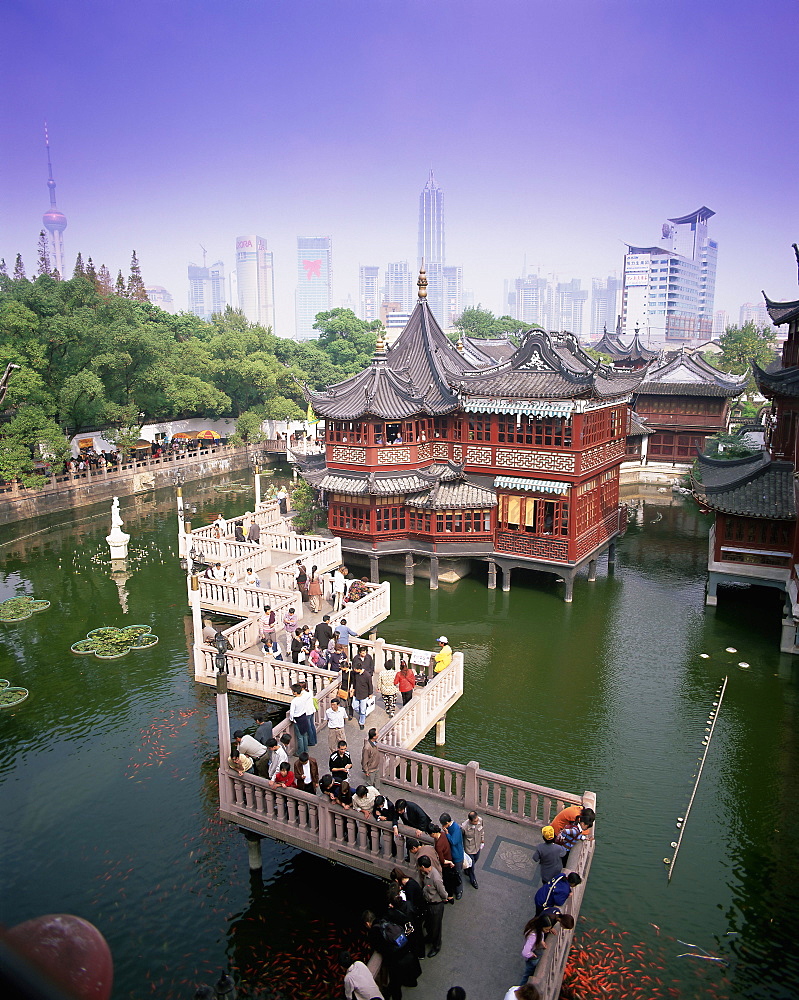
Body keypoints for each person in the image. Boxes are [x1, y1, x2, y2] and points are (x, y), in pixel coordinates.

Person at [363, 910, 420, 1000]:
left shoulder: (374, 932)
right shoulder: (384, 920)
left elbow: (379, 949)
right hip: (407, 951)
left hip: (396, 960)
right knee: (407, 974)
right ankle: (412, 982)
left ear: (367, 923)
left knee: (395, 984)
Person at [417, 856, 448, 957]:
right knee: (430, 924)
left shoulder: (436, 878)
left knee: (436, 927)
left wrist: (443, 899)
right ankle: (430, 937)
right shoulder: (427, 873)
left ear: (423, 866)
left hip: (436, 905)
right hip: (429, 903)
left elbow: (443, 894)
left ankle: (436, 946)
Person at [441, 813, 464, 900]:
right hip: (451, 854)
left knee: (458, 873)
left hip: (457, 855)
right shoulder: (450, 827)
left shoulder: (456, 828)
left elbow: (453, 841)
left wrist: (447, 833)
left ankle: (459, 890)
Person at [431, 825, 458, 900]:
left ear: (433, 834)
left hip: (446, 866)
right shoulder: (443, 834)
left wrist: (449, 862)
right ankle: (451, 895)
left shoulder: (438, 845)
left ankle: (449, 897)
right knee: (450, 880)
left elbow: (442, 860)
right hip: (450, 859)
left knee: (446, 881)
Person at [462, 811, 484, 889]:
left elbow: (482, 831)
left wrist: (482, 840)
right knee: (472, 865)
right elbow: (461, 838)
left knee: (476, 859)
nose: (477, 822)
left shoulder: (480, 820)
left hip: (477, 846)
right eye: (475, 821)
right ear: (470, 821)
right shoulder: (464, 827)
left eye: (477, 820)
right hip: (469, 848)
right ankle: (473, 879)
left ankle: (467, 869)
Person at [289, 683, 313, 753]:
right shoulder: (304, 697)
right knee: (304, 735)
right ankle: (306, 749)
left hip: (298, 719)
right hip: (304, 717)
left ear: (295, 692)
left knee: (300, 737)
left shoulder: (294, 701)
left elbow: (291, 713)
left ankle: (300, 751)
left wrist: (292, 719)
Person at [351, 660, 373, 730]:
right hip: (356, 693)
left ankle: (361, 722)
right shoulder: (355, 674)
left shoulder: (367, 675)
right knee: (355, 706)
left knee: (363, 710)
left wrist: (370, 693)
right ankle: (362, 714)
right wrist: (353, 689)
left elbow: (370, 685)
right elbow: (354, 682)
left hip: (364, 694)